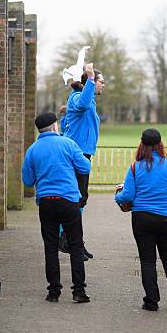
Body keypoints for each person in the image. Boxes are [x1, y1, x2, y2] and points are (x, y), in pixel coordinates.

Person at [115, 129, 167, 311]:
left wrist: (117, 196)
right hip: (166, 218)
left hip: (142, 218)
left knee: (147, 261)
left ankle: (151, 300)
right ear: (160, 144)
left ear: (141, 144)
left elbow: (128, 195)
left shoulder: (135, 167)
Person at [22, 113, 92, 303]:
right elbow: (85, 167)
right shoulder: (68, 144)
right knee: (76, 245)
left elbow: (27, 181)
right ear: (54, 126)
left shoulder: (32, 150)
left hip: (46, 201)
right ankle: (79, 291)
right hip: (68, 200)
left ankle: (53, 291)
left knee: (50, 247)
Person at [63, 62, 105, 259]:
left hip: (82, 153)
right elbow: (81, 104)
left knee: (80, 198)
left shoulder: (82, 99)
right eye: (101, 81)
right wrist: (89, 77)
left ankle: (74, 241)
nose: (103, 85)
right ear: (92, 82)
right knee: (76, 198)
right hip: (77, 154)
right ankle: (69, 240)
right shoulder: (79, 98)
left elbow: (71, 120)